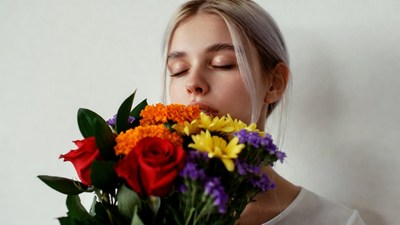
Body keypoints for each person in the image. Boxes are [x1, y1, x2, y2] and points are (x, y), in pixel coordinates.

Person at [161, 0, 366, 224]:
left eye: (223, 64)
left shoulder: (336, 222)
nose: (193, 83)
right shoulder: (141, 209)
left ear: (274, 83)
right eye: (179, 70)